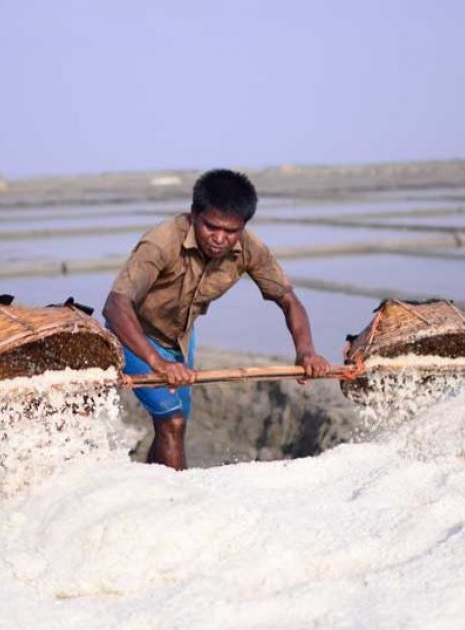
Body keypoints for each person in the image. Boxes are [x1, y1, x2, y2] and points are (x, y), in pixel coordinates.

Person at [103, 169, 330, 470]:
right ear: (194, 213)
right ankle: (178, 493)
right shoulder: (162, 242)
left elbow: (289, 301)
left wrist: (306, 351)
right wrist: (158, 363)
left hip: (180, 340)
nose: (220, 238)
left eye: (231, 231)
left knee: (173, 424)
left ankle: (149, 483)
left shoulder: (249, 248)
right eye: (211, 227)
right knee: (172, 421)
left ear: (243, 226)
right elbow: (116, 306)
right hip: (133, 336)